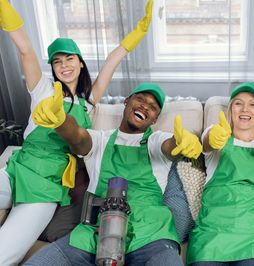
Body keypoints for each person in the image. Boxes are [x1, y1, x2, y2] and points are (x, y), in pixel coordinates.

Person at [0, 0, 153, 264]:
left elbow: (112, 61)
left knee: (4, 253)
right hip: (16, 169)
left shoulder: (89, 101)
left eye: (69, 58)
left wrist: (138, 32)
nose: (64, 65)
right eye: (57, 62)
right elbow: (25, 51)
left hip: (46, 188)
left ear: (80, 63)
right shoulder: (43, 90)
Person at [24, 82, 202, 265]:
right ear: (126, 101)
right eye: (140, 99)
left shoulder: (156, 141)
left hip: (151, 236)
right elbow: (77, 136)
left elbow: (169, 147)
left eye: (153, 107)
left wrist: (181, 144)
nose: (144, 106)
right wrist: (61, 121)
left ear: (155, 119)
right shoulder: (99, 139)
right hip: (93, 236)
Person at [186, 82, 254, 266]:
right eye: (238, 103)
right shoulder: (217, 134)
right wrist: (212, 139)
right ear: (230, 110)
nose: (245, 109)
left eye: (252, 104)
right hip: (212, 234)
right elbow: (206, 143)